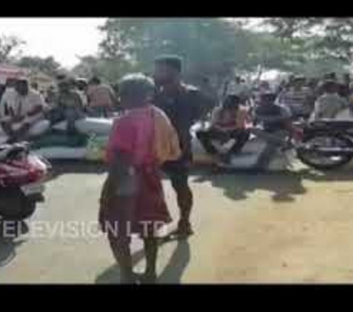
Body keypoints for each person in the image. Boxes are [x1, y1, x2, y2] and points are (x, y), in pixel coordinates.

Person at [98, 73, 181, 284]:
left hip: (126, 179)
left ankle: (127, 276)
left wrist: (109, 192)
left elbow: (121, 159)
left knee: (117, 230)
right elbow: (172, 147)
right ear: (148, 95)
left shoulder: (124, 122)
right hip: (150, 176)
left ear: (124, 95)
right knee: (149, 227)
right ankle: (150, 273)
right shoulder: (158, 115)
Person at [153, 55, 207, 239]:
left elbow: (193, 119)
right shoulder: (154, 94)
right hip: (154, 148)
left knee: (180, 186)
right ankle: (157, 225)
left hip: (179, 149)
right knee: (151, 188)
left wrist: (177, 143)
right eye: (157, 69)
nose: (157, 73)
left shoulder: (192, 94)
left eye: (161, 69)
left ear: (175, 71)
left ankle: (185, 223)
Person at [196, 94, 252, 165]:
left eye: (233, 103)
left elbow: (239, 126)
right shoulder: (217, 110)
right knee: (200, 133)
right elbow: (214, 124)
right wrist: (222, 130)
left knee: (245, 134)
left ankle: (232, 153)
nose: (230, 105)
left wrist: (228, 131)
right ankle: (213, 152)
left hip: (233, 131)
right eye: (229, 103)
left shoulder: (241, 111)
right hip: (219, 130)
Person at [252, 91, 300, 170]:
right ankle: (282, 142)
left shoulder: (281, 110)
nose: (263, 102)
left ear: (272, 101)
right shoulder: (258, 110)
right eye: (262, 100)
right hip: (266, 131)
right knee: (251, 129)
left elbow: (289, 126)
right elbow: (254, 123)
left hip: (281, 131)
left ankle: (259, 165)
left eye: (267, 100)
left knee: (270, 145)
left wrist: (290, 138)